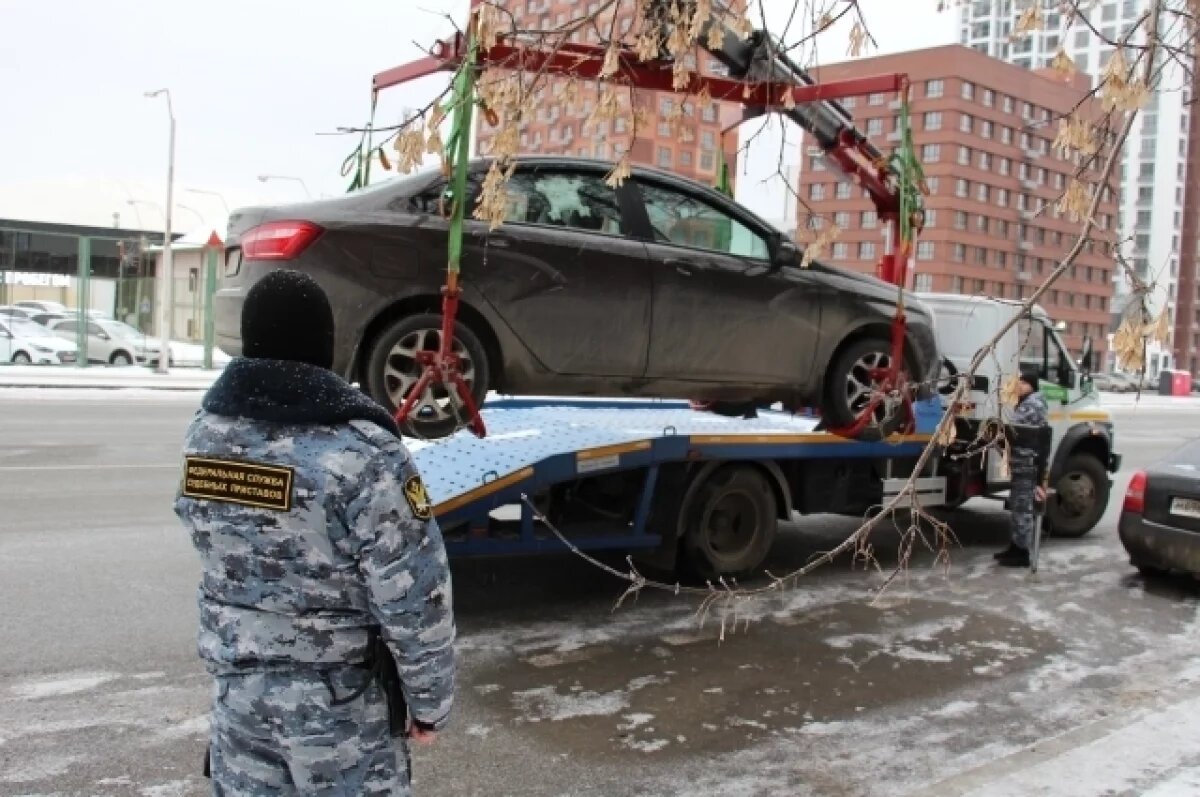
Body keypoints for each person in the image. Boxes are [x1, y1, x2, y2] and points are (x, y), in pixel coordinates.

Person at [174, 270, 455, 796]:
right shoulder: (365, 452)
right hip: (342, 711)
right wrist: (429, 703)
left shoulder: (205, 435)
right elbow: (416, 595)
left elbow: (202, 534)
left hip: (238, 703)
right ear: (323, 347)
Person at [995, 370, 1050, 568]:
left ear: (1032, 386)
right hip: (1022, 462)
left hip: (1027, 463)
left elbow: (1014, 426)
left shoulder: (1033, 404)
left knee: (1022, 508)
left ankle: (1021, 552)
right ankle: (1016, 547)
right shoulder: (1027, 402)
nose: (1019, 386)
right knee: (1018, 506)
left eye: (1023, 383)